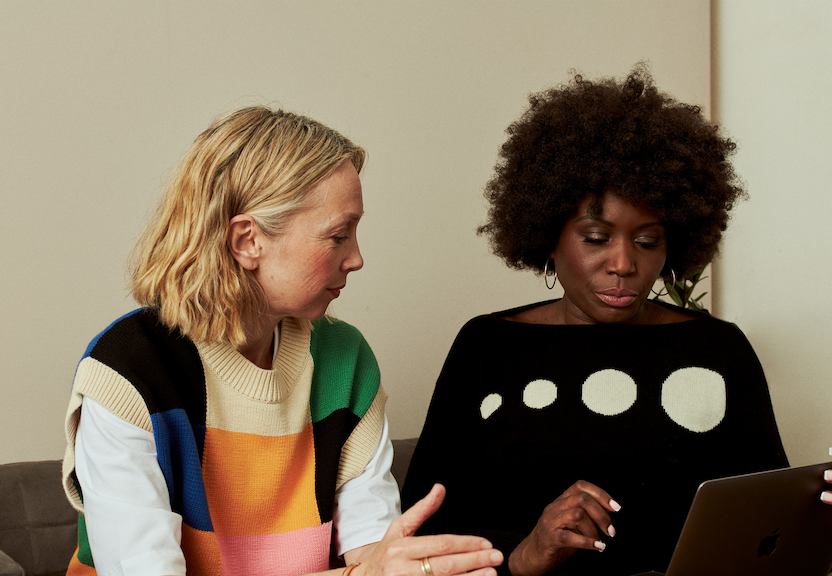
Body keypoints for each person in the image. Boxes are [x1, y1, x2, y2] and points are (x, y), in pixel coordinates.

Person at [401, 67, 831, 576]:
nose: (624, 264)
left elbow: (768, 524)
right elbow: (421, 528)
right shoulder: (488, 346)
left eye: (647, 242)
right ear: (548, 235)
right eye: (596, 238)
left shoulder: (719, 348)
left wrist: (819, 515)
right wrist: (524, 553)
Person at [61, 106, 504, 576]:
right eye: (338, 235)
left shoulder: (345, 360)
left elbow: (374, 556)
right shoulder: (128, 369)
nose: (356, 258)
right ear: (247, 241)